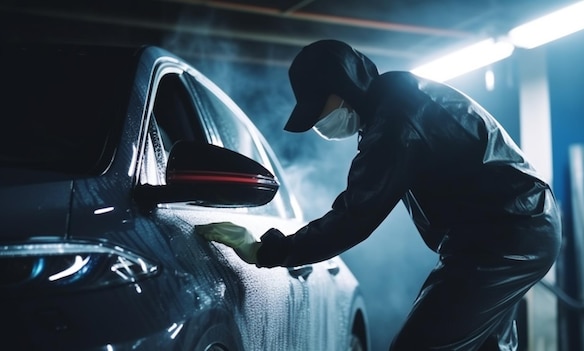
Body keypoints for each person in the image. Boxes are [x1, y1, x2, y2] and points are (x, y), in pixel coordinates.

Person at [196, 39, 562, 350]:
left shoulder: (396, 121)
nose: (319, 124)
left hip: (506, 234)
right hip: (513, 227)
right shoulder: (397, 103)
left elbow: (356, 215)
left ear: (344, 87)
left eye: (319, 108)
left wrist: (269, 250)